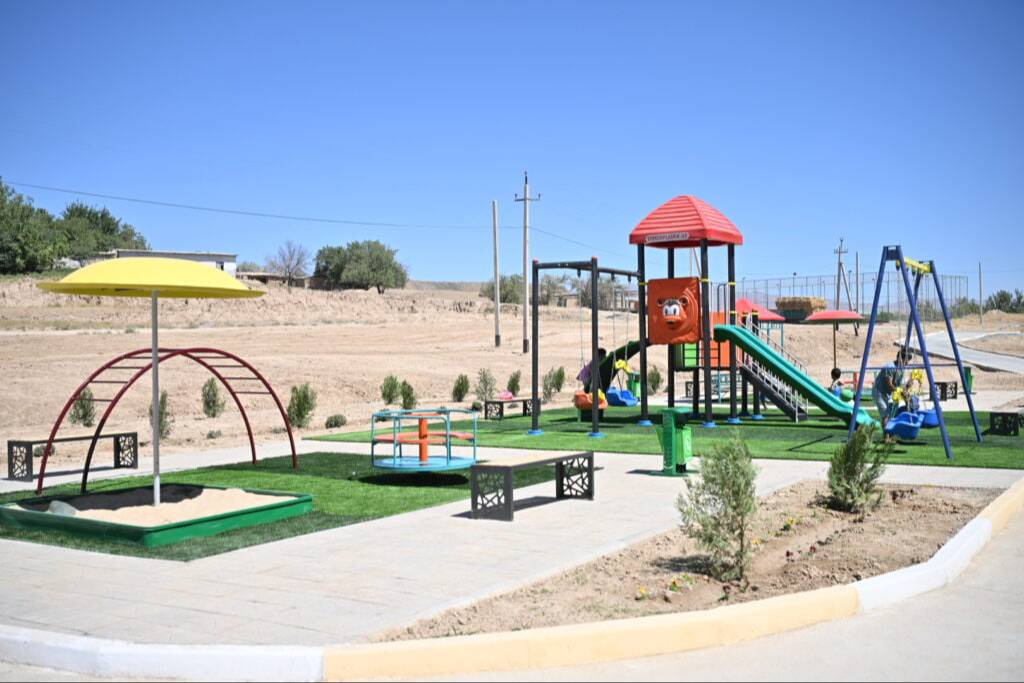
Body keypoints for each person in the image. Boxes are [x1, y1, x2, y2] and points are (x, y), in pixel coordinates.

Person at [873, 349, 911, 435]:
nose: (907, 363)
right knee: (886, 415)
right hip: (879, 392)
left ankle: (890, 434)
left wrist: (907, 387)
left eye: (908, 361)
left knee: (890, 414)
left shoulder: (901, 369)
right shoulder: (890, 367)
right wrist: (901, 392)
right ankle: (886, 437)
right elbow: (889, 385)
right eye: (906, 360)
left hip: (887, 394)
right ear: (899, 358)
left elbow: (900, 385)